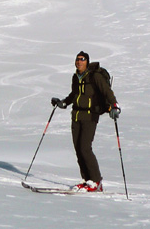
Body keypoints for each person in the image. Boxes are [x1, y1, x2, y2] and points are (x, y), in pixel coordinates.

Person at [51, 51, 120, 192]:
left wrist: (114, 106)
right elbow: (74, 95)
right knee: (78, 149)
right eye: (77, 59)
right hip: (76, 116)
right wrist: (64, 102)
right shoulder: (75, 77)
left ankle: (96, 181)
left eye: (82, 59)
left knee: (85, 148)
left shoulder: (95, 76)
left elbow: (107, 91)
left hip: (90, 116)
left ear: (87, 62)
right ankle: (87, 180)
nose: (79, 62)